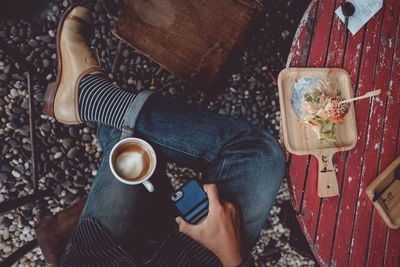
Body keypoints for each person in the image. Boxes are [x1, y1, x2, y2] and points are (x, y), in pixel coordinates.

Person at [46, 5, 285, 267]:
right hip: (198, 260)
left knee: (134, 145)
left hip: (102, 258)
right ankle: (100, 106)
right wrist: (231, 256)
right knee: (257, 156)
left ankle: (97, 103)